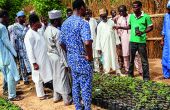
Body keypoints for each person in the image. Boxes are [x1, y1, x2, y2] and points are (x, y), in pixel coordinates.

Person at [60, 0, 93, 109]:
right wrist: (89, 56)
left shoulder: (65, 23)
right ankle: (87, 108)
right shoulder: (83, 23)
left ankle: (78, 107)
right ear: (81, 8)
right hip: (82, 59)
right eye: (85, 7)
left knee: (75, 84)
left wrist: (70, 51)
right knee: (86, 86)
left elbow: (61, 43)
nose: (86, 9)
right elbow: (87, 42)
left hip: (71, 59)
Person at [114, 1, 153, 80]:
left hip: (141, 41)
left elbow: (151, 27)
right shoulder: (132, 17)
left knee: (144, 60)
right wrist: (120, 27)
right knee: (131, 59)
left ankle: (146, 77)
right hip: (132, 41)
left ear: (140, 7)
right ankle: (130, 75)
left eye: (136, 7)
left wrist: (143, 32)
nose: (134, 8)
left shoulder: (146, 16)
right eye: (133, 7)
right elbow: (129, 26)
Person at [44, 10, 72, 105]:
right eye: (60, 19)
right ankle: (67, 99)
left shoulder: (47, 30)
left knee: (55, 77)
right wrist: (66, 63)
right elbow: (61, 50)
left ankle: (56, 96)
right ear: (56, 21)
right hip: (57, 57)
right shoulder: (57, 32)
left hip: (50, 57)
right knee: (63, 77)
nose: (61, 21)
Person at [24, 14, 53, 100]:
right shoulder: (29, 35)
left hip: (42, 58)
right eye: (38, 22)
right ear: (33, 23)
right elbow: (29, 51)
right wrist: (34, 63)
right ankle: (41, 95)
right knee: (38, 78)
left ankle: (43, 92)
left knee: (42, 76)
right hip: (37, 60)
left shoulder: (37, 32)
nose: (39, 23)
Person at [0, 9, 23, 101]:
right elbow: (7, 42)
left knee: (7, 74)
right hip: (6, 54)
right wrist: (15, 53)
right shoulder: (2, 27)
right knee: (11, 75)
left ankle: (10, 91)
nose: (8, 19)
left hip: (1, 56)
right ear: (4, 16)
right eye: (7, 17)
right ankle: (12, 95)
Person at [117, 5, 143, 74]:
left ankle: (140, 70)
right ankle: (127, 69)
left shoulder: (132, 16)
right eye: (120, 12)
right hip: (124, 38)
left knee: (136, 54)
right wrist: (120, 40)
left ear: (126, 10)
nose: (121, 13)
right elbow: (119, 32)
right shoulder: (119, 19)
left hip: (133, 37)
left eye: (122, 11)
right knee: (125, 54)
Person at [96, 8, 122, 75]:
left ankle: (117, 70)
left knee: (114, 56)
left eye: (105, 16)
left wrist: (117, 42)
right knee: (106, 57)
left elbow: (115, 33)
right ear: (100, 17)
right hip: (104, 45)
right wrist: (98, 48)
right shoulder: (99, 25)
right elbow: (98, 37)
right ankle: (106, 71)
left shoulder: (111, 22)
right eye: (102, 16)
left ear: (107, 15)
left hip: (112, 43)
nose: (104, 17)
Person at [13, 11, 31, 85]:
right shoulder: (15, 26)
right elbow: (21, 36)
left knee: (29, 61)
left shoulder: (24, 26)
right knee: (22, 63)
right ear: (19, 18)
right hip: (20, 48)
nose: (24, 18)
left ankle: (31, 74)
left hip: (27, 47)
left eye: (24, 17)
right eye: (23, 17)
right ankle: (25, 79)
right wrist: (26, 28)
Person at [161, 0, 170, 79]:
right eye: (168, 8)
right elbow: (164, 28)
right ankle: (166, 74)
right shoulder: (166, 16)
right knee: (165, 56)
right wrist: (162, 39)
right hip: (167, 41)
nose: (168, 10)